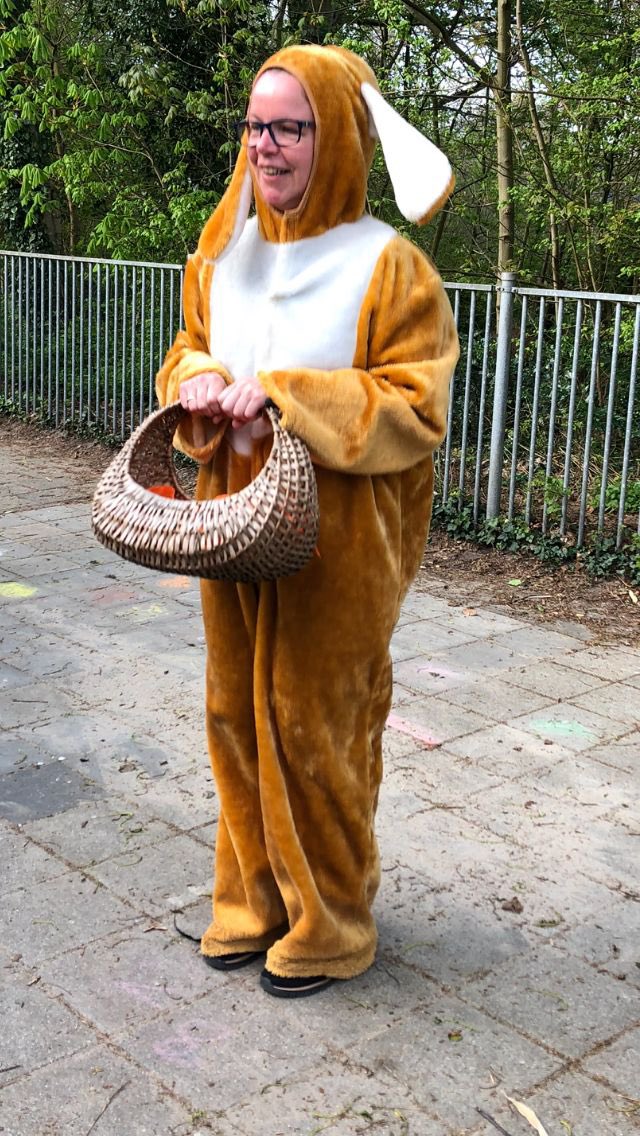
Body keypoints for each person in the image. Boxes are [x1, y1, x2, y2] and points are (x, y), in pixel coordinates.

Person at [156, 44, 459, 999]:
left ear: (334, 138)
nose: (267, 146)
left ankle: (332, 921)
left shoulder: (390, 265)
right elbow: (185, 353)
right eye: (255, 125)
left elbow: (415, 406)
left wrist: (284, 397)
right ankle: (251, 901)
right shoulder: (224, 256)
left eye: (290, 126)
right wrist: (195, 383)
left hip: (341, 548)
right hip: (230, 527)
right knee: (234, 715)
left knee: (315, 724)